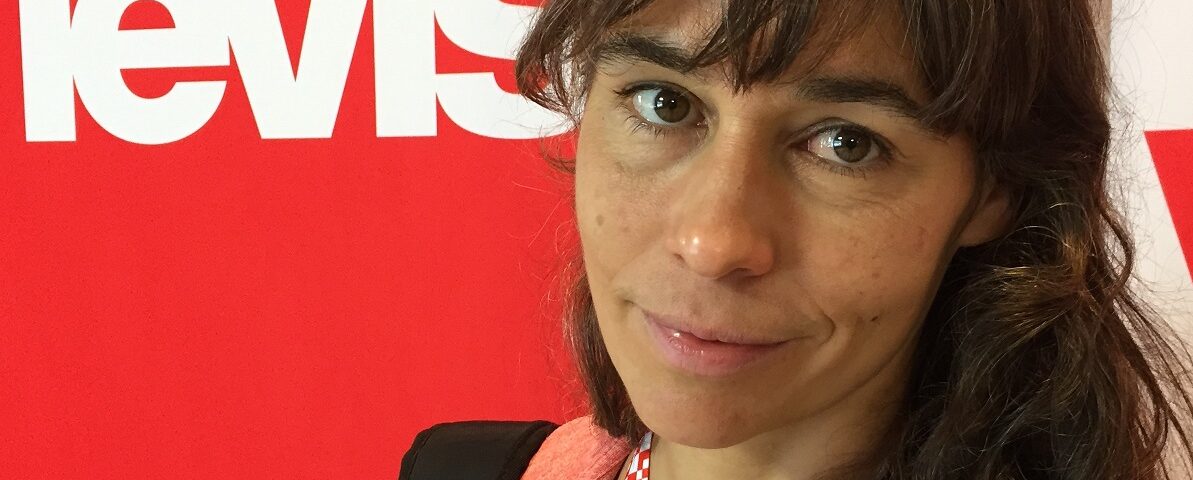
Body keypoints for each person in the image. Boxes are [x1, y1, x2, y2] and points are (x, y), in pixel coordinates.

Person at [402, 0, 1193, 478]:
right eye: (664, 104)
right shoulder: (460, 469)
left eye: (846, 144)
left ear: (994, 190)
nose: (712, 241)